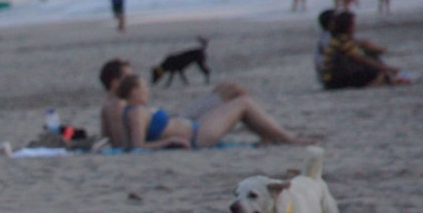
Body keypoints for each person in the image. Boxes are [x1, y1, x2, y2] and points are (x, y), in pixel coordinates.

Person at [116, 73, 314, 150]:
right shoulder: (136, 113)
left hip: (194, 128)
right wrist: (168, 142)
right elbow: (136, 147)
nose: (147, 90)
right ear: (134, 91)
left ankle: (276, 136)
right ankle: (288, 139)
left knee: (238, 101)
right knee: (244, 103)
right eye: (143, 87)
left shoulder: (135, 111)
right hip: (197, 135)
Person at [99, 59, 252, 149]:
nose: (132, 79)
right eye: (128, 76)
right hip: (181, 123)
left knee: (226, 89)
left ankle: (245, 123)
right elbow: (124, 144)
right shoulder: (119, 105)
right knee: (232, 91)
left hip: (174, 120)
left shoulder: (113, 105)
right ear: (114, 83)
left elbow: (112, 138)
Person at [319, 11, 404, 89]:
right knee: (374, 71)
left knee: (374, 67)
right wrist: (384, 68)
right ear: (348, 27)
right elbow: (360, 59)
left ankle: (384, 78)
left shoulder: (338, 39)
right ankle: (380, 81)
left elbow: (362, 46)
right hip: (335, 79)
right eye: (353, 24)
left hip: (330, 78)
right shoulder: (342, 40)